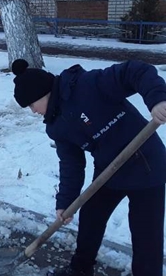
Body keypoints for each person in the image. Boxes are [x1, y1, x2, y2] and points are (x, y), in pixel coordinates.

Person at [11, 59, 166, 276]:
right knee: (91, 216)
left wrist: (157, 99)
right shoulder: (55, 125)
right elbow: (71, 164)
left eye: (30, 105)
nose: (32, 111)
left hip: (146, 164)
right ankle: (80, 269)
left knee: (146, 235)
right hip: (108, 170)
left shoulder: (88, 85)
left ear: (41, 94)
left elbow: (135, 71)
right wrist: (66, 202)